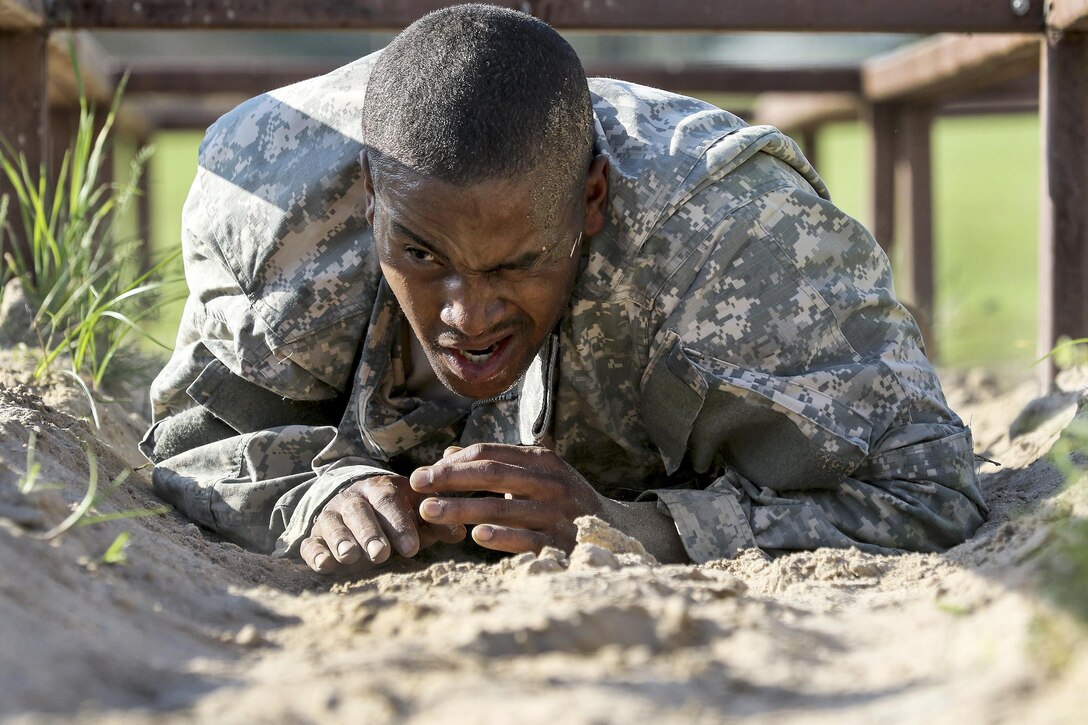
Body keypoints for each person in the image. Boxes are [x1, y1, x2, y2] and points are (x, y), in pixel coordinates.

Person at [141, 4, 986, 573]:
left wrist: (636, 526)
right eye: (423, 255)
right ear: (371, 193)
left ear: (592, 201)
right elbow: (187, 436)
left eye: (515, 264)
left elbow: (929, 490)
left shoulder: (740, 241)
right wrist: (316, 490)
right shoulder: (277, 214)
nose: (465, 317)